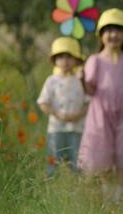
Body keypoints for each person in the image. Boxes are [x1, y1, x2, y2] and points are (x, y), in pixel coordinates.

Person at [77, 8, 123, 201]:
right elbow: (90, 91)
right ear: (101, 35)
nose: (113, 35)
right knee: (103, 150)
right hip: (101, 114)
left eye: (118, 30)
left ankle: (119, 194)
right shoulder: (95, 60)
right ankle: (107, 192)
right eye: (108, 30)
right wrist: (82, 80)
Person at [37, 37, 88, 177]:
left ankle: (76, 189)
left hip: (77, 129)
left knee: (77, 161)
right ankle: (51, 186)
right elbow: (43, 103)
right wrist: (57, 114)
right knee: (54, 160)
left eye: (69, 57)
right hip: (56, 128)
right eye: (60, 57)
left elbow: (88, 103)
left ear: (76, 60)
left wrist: (79, 114)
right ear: (55, 60)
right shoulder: (51, 81)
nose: (65, 61)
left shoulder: (81, 81)